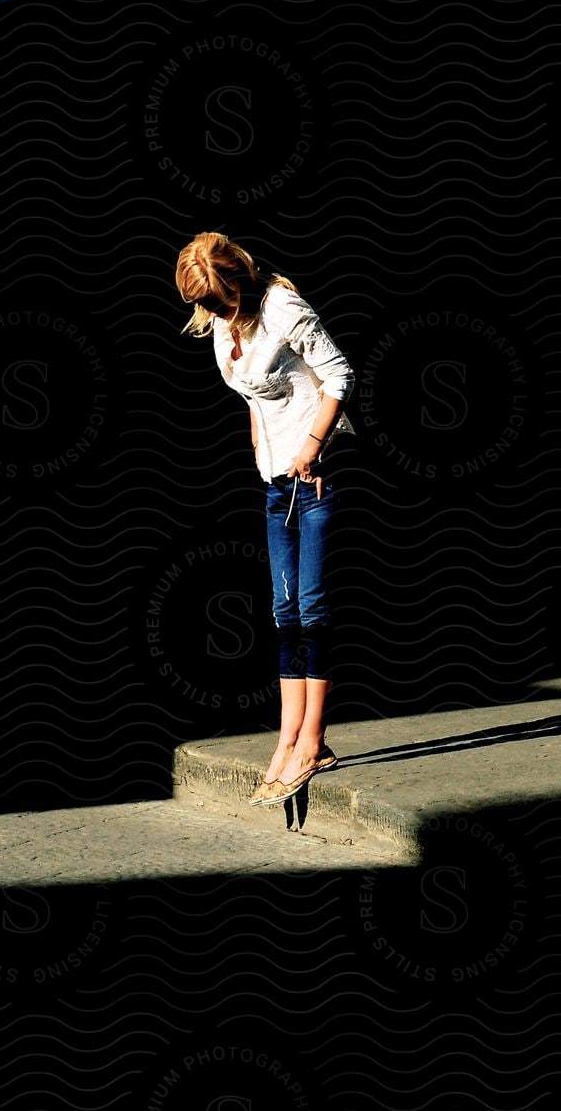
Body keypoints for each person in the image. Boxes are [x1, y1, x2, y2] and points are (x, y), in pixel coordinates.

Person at [175, 232, 356, 808]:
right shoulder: (225, 321)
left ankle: (312, 740)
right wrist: (260, 441)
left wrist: (312, 447)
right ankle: (288, 740)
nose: (207, 314)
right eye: (202, 304)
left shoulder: (279, 306)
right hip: (277, 478)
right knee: (284, 611)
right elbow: (253, 392)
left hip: (315, 471)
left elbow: (340, 376)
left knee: (313, 606)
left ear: (237, 286)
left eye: (215, 302)